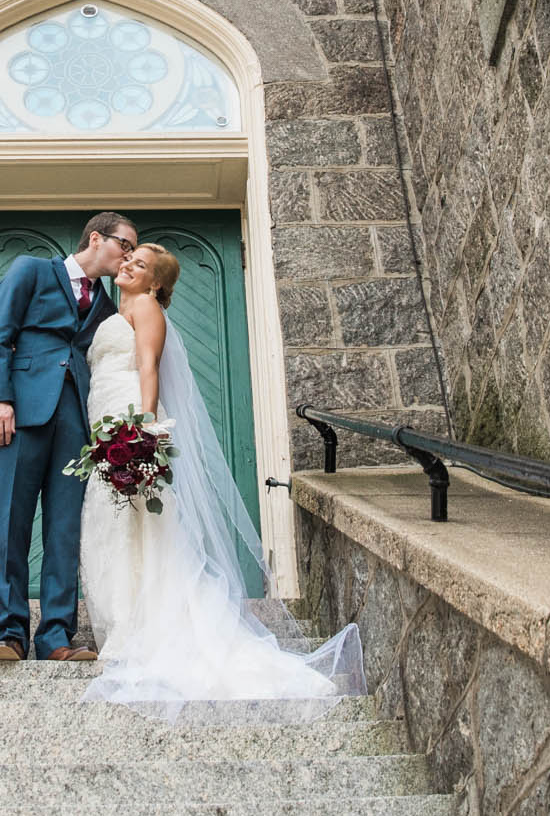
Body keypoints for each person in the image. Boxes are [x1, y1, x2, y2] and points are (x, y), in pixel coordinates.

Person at [79, 242, 365, 715]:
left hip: (129, 420)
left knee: (146, 530)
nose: (128, 264)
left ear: (156, 283)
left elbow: (148, 368)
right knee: (114, 528)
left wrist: (143, 434)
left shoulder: (147, 307)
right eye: (128, 258)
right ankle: (128, 627)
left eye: (141, 263)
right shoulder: (118, 309)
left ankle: (145, 631)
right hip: (104, 420)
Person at [0, 210, 136, 662]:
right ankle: (7, 635)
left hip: (76, 423)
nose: (127, 254)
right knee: (12, 521)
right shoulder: (32, 269)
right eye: (124, 244)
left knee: (65, 529)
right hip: (21, 412)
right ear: (95, 238)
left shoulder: (107, 304)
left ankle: (56, 638)